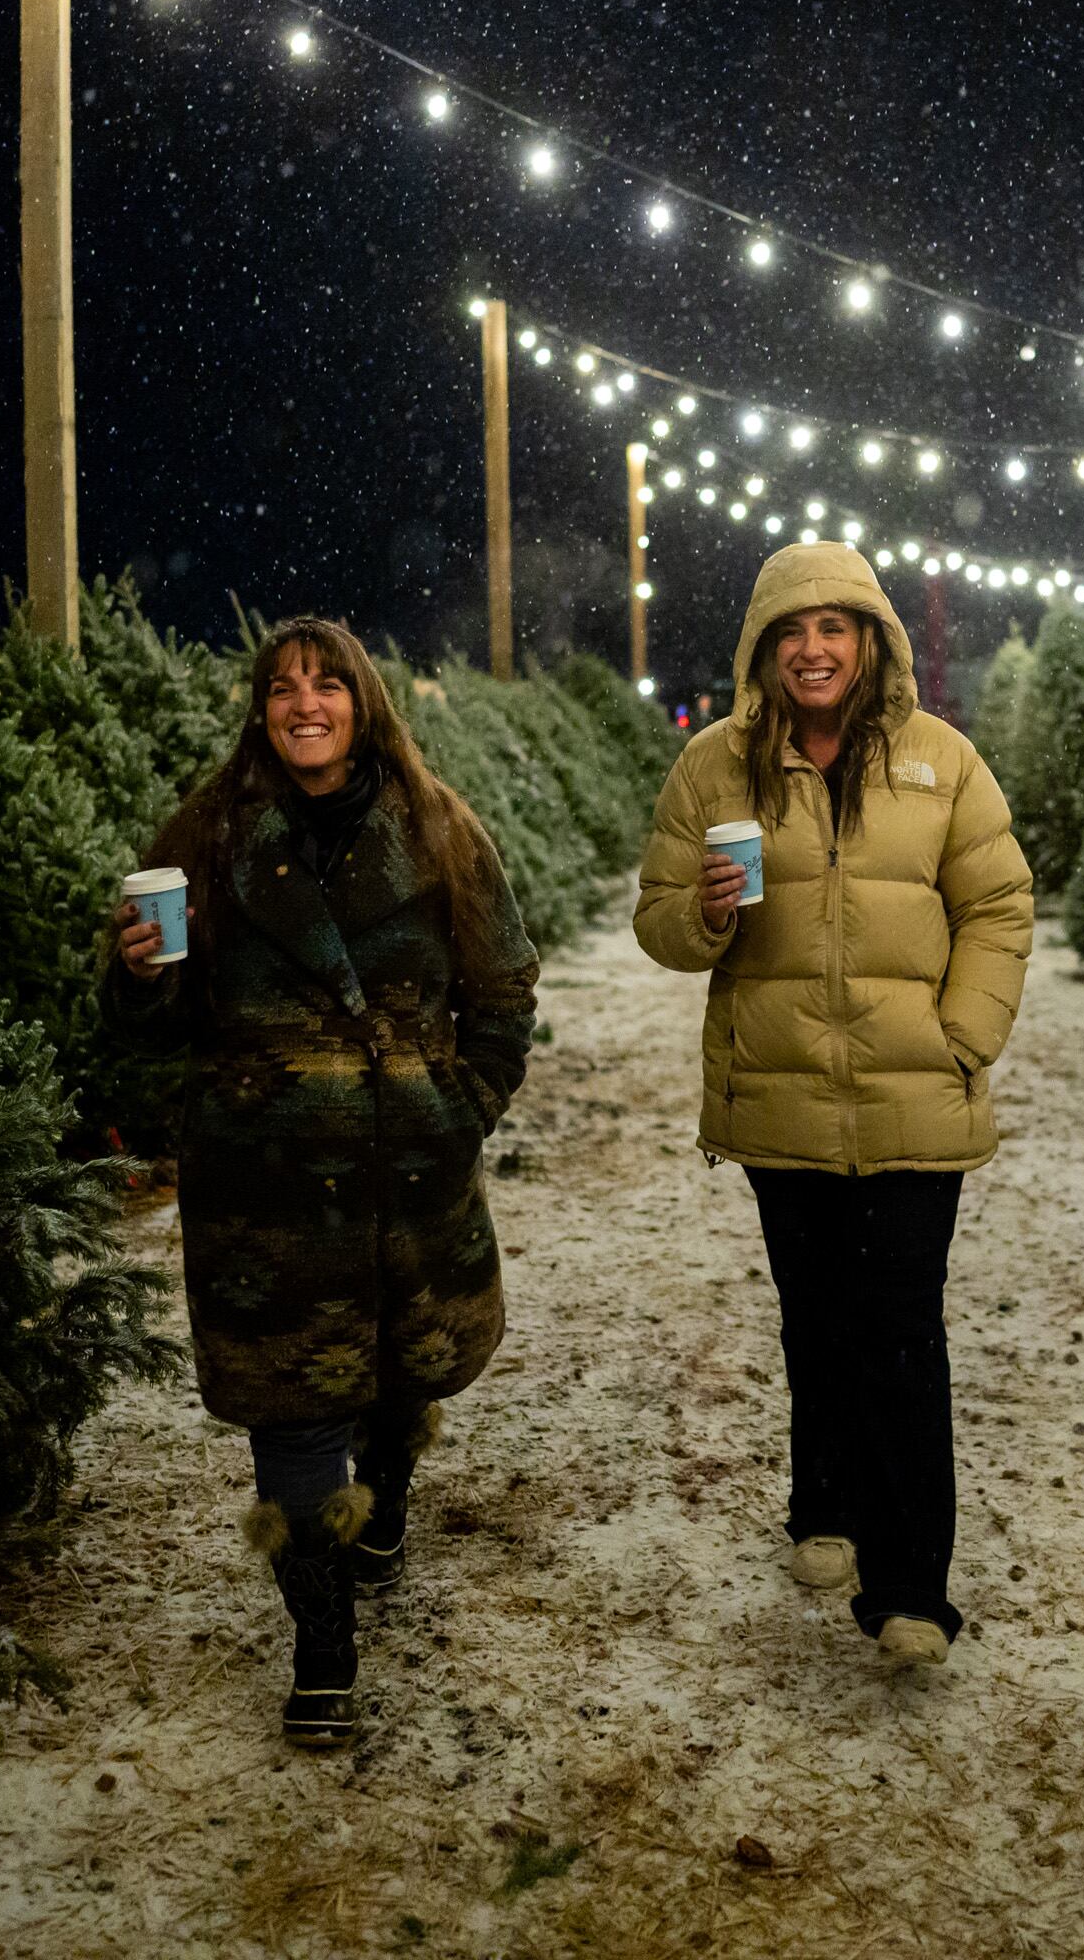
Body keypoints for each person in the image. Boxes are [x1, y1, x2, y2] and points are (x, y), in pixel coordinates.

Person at [106, 617, 538, 1746]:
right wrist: (144, 988)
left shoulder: (442, 832)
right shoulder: (206, 838)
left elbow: (503, 992)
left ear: (364, 704)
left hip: (409, 1174)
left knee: (401, 1375)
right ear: (261, 711)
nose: (305, 703)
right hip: (268, 1192)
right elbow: (144, 1027)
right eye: (283, 687)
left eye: (327, 684)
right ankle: (322, 1636)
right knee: (294, 1413)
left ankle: (389, 1489)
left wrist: (459, 1106)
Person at [635, 541, 1033, 1665]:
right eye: (791, 632)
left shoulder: (941, 761)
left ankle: (911, 1590)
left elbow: (1000, 902)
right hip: (782, 1095)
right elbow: (657, 919)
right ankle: (826, 1505)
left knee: (901, 1329)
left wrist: (966, 1033)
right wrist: (706, 916)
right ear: (765, 649)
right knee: (816, 1314)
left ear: (871, 642)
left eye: (836, 628)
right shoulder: (716, 767)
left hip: (916, 1100)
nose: (814, 649)